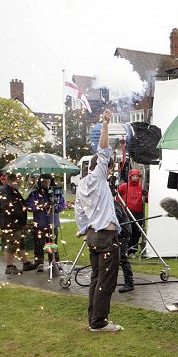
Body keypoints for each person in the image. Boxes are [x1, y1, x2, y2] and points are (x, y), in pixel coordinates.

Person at [74, 109, 123, 333]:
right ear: (104, 167)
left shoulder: (81, 184)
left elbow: (79, 213)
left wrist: (83, 230)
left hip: (93, 236)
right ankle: (99, 322)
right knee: (106, 281)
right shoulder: (99, 176)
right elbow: (103, 150)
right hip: (105, 237)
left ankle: (93, 317)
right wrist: (105, 124)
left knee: (96, 279)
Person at [0, 173, 37, 274]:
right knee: (12, 245)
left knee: (21, 243)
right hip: (10, 223)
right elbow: (8, 208)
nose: (19, 183)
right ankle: (9, 267)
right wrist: (20, 212)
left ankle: (26, 263)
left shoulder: (12, 191)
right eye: (17, 182)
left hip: (16, 222)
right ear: (12, 181)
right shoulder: (6, 191)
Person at [26, 174, 65, 272]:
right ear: (40, 182)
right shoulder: (34, 194)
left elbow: (62, 205)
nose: (46, 183)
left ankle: (53, 263)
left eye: (48, 181)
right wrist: (41, 206)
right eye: (44, 181)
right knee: (39, 244)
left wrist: (54, 207)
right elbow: (29, 206)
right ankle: (39, 262)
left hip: (52, 223)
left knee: (52, 244)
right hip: (39, 223)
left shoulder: (56, 193)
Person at [117, 168, 148, 255]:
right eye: (133, 176)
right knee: (126, 232)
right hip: (127, 213)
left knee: (136, 233)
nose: (135, 178)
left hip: (138, 213)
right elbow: (117, 196)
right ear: (130, 177)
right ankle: (124, 249)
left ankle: (132, 251)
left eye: (137, 176)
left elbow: (147, 199)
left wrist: (145, 194)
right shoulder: (124, 186)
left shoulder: (141, 187)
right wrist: (121, 207)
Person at [115, 200, 135, 293]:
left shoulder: (112, 202)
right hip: (116, 233)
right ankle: (110, 281)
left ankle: (129, 284)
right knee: (112, 258)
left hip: (122, 233)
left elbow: (116, 217)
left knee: (122, 258)